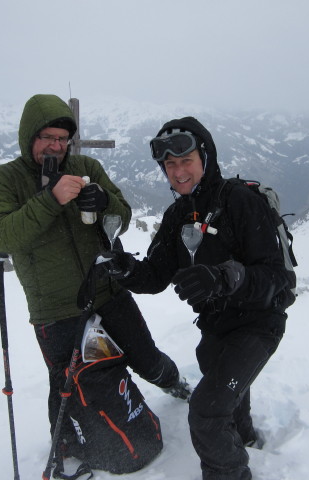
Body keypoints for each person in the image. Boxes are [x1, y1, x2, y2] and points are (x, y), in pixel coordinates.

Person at [0, 94, 190, 456]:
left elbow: (122, 213)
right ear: (28, 135)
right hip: (55, 309)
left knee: (145, 355)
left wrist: (105, 204)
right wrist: (50, 200)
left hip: (108, 290)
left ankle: (175, 383)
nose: (56, 146)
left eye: (62, 139)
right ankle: (67, 444)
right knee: (68, 381)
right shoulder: (4, 180)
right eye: (47, 137)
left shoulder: (86, 166)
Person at [99, 116, 292, 480]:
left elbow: (276, 277)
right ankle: (244, 437)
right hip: (217, 325)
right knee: (216, 373)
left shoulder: (240, 202)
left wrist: (225, 276)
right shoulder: (177, 216)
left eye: (185, 161)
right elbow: (156, 275)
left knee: (207, 411)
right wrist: (125, 268)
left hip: (259, 323)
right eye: (169, 165)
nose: (178, 171)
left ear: (205, 157)